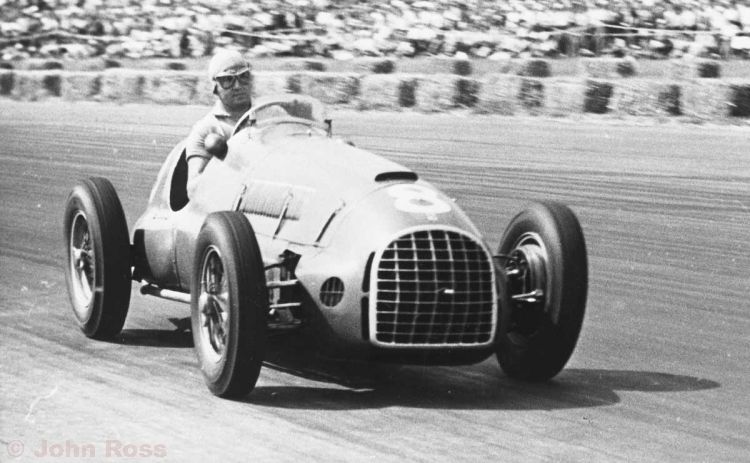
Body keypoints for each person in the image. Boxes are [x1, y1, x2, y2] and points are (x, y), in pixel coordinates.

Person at [185, 49, 253, 196]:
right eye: (228, 80)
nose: (238, 86)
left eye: (244, 76)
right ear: (215, 87)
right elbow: (193, 188)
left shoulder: (271, 114)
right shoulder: (206, 129)